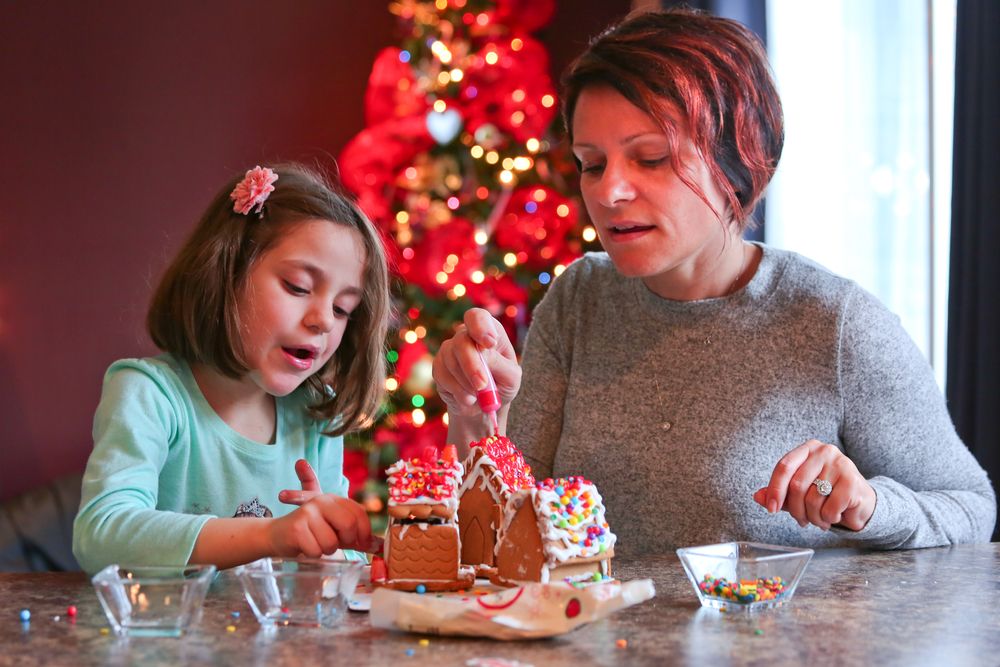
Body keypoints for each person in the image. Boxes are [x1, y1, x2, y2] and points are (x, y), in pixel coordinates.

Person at [432, 8, 996, 554]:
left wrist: (867, 505)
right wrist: (474, 414)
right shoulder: (579, 298)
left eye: (651, 158)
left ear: (739, 160)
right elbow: (510, 529)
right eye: (591, 163)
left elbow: (971, 508)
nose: (609, 193)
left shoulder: (835, 323)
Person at [73, 163, 389, 573]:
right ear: (225, 272)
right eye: (297, 286)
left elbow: (343, 571)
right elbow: (101, 534)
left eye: (343, 308)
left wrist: (328, 552)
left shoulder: (313, 414)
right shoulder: (150, 393)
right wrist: (272, 535)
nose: (325, 320)